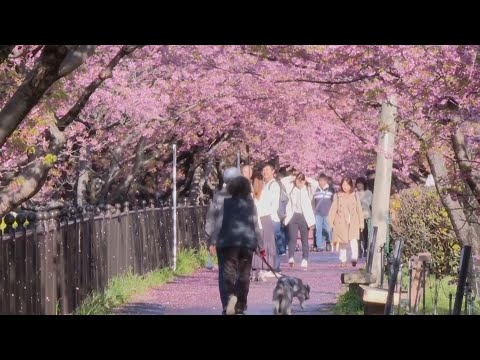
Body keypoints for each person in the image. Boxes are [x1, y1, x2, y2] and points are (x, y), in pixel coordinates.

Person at [208, 175, 264, 315]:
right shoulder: (250, 204)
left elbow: (219, 224)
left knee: (229, 273)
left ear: (231, 189)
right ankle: (241, 304)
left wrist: (213, 241)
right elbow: (256, 225)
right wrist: (261, 245)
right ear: (246, 189)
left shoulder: (226, 203)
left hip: (228, 243)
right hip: (246, 243)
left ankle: (230, 297)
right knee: (244, 275)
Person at [205, 167, 241, 314]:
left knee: (223, 274)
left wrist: (209, 240)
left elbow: (210, 221)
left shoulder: (218, 197)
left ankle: (226, 304)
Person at [328, 177, 364, 268]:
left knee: (353, 240)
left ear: (351, 186)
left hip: (353, 221)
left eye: (347, 185)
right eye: (343, 185)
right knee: (342, 243)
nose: (345, 187)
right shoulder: (337, 195)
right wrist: (331, 222)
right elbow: (333, 209)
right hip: (341, 222)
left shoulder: (355, 195)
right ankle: (343, 260)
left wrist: (361, 223)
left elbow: (359, 209)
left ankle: (354, 257)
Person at [283, 172, 316, 269]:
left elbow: (316, 184)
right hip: (293, 216)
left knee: (304, 240)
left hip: (304, 217)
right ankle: (291, 257)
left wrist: (306, 179)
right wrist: (292, 178)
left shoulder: (308, 190)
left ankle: (305, 259)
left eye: (302, 180)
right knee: (292, 238)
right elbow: (283, 182)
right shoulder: (291, 188)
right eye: (298, 179)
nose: (300, 181)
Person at [250, 173, 277, 277]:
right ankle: (265, 267)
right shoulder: (267, 193)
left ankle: (255, 267)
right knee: (267, 244)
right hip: (266, 219)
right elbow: (272, 206)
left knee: (258, 244)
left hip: (256, 220)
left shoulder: (252, 196)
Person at [262, 162, 287, 273]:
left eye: (267, 169)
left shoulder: (274, 185)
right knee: (269, 243)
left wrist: (267, 216)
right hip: (266, 218)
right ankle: (271, 266)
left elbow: (273, 204)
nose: (265, 172)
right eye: (264, 170)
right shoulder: (264, 185)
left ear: (273, 171)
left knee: (273, 244)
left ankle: (275, 267)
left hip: (272, 218)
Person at [312, 173, 334, 252]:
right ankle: (319, 246)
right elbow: (313, 202)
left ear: (326, 181)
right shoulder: (315, 190)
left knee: (328, 229)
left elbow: (333, 202)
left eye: (323, 180)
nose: (321, 182)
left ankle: (329, 242)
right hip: (318, 213)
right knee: (318, 229)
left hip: (328, 213)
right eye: (320, 180)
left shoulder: (330, 190)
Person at [356, 177, 373, 257]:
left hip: (366, 216)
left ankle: (366, 248)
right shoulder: (355, 193)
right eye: (357, 183)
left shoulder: (368, 193)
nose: (359, 185)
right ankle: (359, 249)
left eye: (360, 183)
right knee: (357, 235)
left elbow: (371, 204)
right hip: (357, 217)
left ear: (364, 184)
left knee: (365, 234)